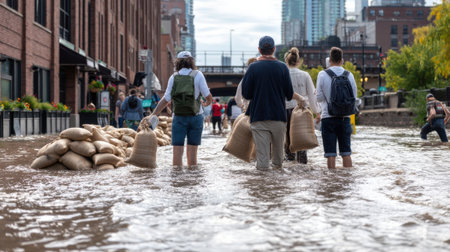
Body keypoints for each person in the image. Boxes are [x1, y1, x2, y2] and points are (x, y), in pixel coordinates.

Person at [242, 35, 305, 170]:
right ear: (274, 49)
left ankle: (264, 187)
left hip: (258, 117)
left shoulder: (252, 68)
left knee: (262, 161)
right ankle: (276, 188)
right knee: (278, 162)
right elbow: (289, 95)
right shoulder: (282, 68)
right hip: (278, 117)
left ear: (259, 49)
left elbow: (246, 94)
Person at [151, 51, 213, 167]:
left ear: (177, 62)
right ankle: (191, 181)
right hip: (196, 117)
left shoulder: (174, 77)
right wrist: (206, 103)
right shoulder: (198, 74)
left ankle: (177, 180)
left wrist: (153, 114)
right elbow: (208, 96)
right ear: (191, 61)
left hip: (179, 117)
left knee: (177, 152)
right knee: (192, 153)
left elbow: (166, 99)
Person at [316, 47, 357, 169]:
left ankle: (332, 182)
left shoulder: (322, 74)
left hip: (328, 117)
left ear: (330, 60)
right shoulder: (349, 75)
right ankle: (347, 180)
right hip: (345, 118)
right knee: (346, 153)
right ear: (342, 60)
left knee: (330, 154)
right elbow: (354, 97)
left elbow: (318, 97)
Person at [284, 47, 321, 164]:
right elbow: (312, 94)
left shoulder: (283, 74)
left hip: (286, 110)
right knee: (302, 141)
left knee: (288, 141)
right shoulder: (305, 75)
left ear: (286, 61)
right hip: (303, 110)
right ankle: (302, 167)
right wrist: (317, 112)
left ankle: (289, 166)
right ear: (298, 62)